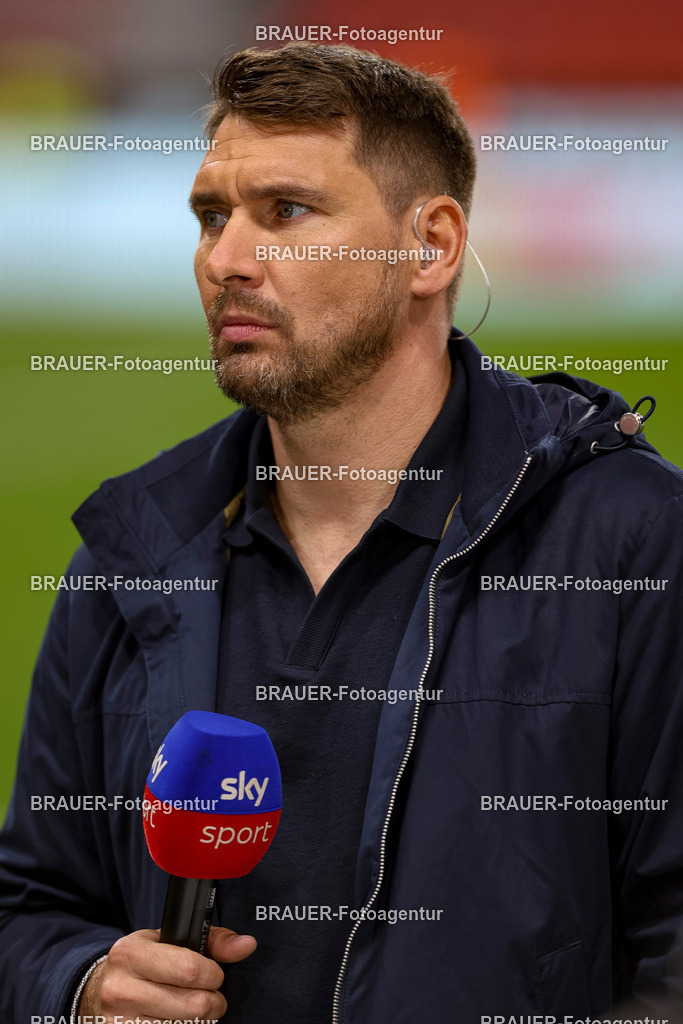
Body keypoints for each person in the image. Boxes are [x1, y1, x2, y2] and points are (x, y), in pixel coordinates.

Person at [1, 42, 682, 1024]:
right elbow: (30, 902)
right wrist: (78, 981)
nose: (225, 258)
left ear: (429, 246)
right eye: (211, 216)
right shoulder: (133, 552)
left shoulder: (629, 543)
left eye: (285, 212)